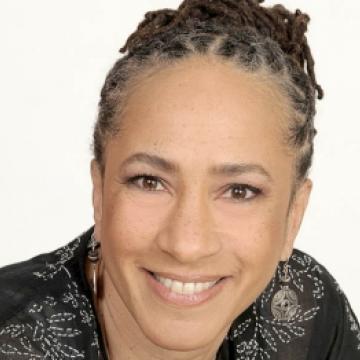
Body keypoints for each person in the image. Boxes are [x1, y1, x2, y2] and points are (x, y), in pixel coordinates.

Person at [0, 0, 359, 359]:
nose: (187, 245)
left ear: (293, 215)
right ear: (99, 191)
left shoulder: (304, 313)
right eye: (149, 181)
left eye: (239, 191)